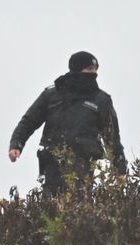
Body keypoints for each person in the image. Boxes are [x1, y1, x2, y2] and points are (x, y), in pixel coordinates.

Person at [9, 51, 127, 194]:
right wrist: (16, 144)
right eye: (89, 69)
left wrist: (120, 169)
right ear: (77, 69)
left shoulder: (101, 100)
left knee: (80, 207)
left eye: (95, 70)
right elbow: (28, 122)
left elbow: (112, 138)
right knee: (52, 206)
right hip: (52, 163)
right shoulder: (52, 94)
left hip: (84, 165)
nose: (93, 73)